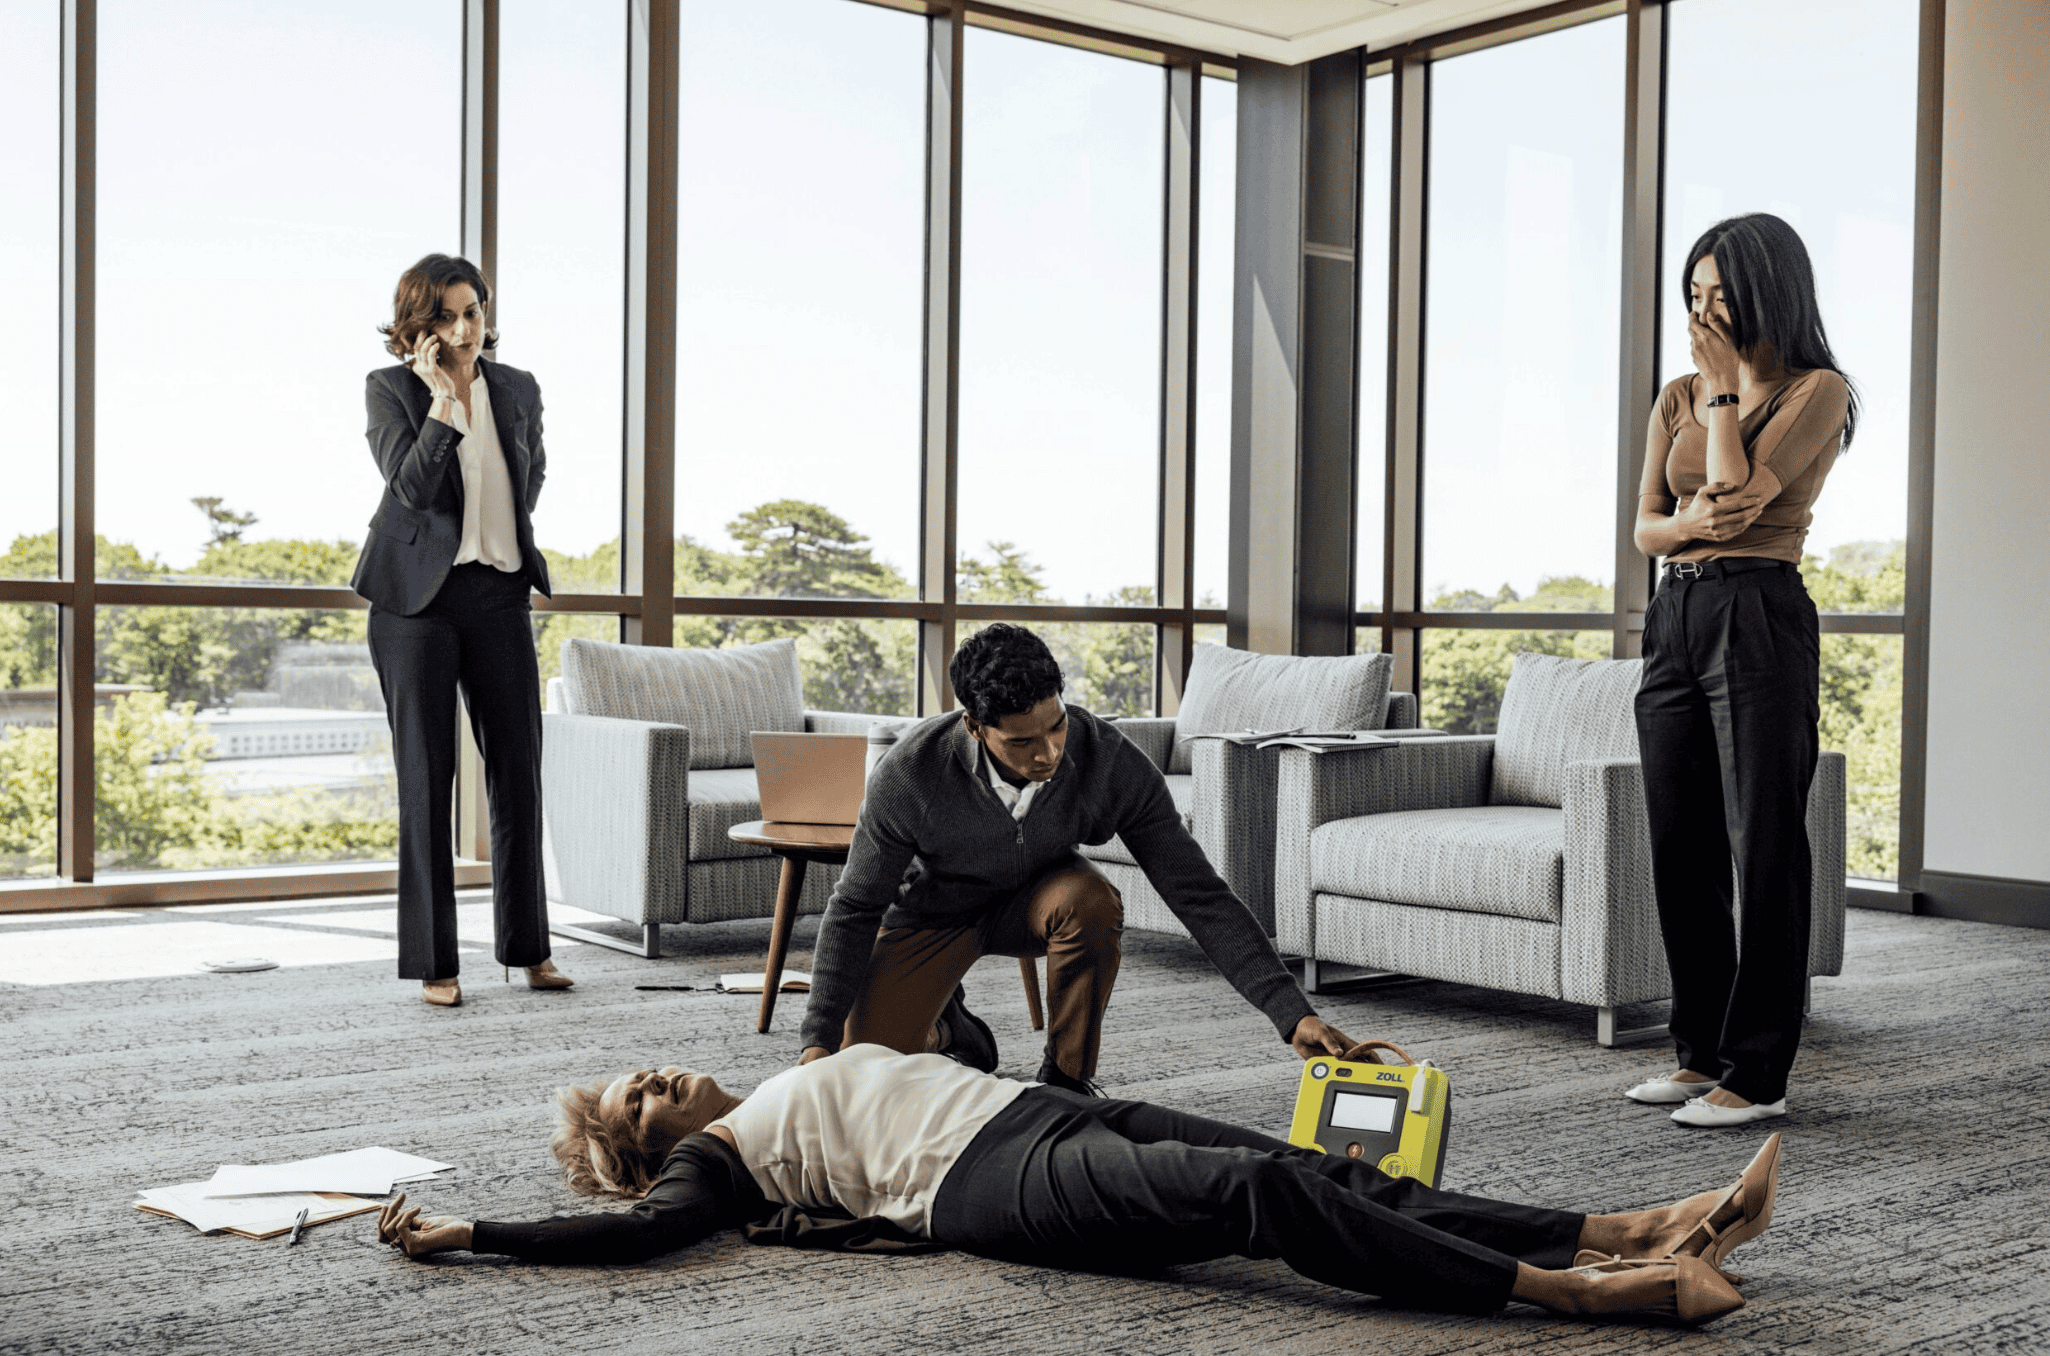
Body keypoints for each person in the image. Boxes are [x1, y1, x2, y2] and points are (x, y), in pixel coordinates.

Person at [376, 1046, 1782, 1327]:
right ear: (648, 1148)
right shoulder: (714, 1161)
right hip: (993, 1179)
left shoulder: (785, 1075)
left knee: (1311, 1165)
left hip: (1037, 1110)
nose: (654, 1079)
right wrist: (477, 1232)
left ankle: (1632, 1222)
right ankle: (1576, 1293)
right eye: (636, 1101)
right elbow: (636, 1243)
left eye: (638, 1073)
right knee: (1264, 1204)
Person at [795, 623, 1353, 1093]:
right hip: (932, 915)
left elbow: (1198, 893)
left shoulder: (1109, 760)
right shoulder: (909, 775)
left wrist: (1291, 1013)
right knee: (863, 1072)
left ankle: (1066, 1081)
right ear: (974, 726)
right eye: (1021, 742)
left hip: (1039, 901)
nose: (1048, 754)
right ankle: (949, 1030)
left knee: (1090, 900)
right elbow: (855, 907)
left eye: (1056, 726)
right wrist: (818, 1041)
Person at [1628, 213, 1856, 1127]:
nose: (1704, 312)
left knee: (1763, 843)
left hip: (1758, 613)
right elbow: (1648, 528)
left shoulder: (1816, 391)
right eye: (1694, 294)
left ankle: (1758, 1074)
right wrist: (1686, 524)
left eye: (1721, 294)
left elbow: (1736, 500)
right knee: (1678, 842)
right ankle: (1699, 1053)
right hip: (1674, 615)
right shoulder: (1674, 395)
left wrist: (1725, 393)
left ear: (1770, 291)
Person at [352, 253, 572, 1007]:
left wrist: (500, 537)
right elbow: (410, 488)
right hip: (415, 602)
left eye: (472, 311)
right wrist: (443, 403)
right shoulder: (390, 389)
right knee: (427, 777)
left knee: (518, 771)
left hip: (498, 591)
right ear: (419, 325)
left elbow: (529, 473)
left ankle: (530, 949)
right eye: (445, 316)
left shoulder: (517, 387)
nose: (463, 328)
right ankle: (435, 962)